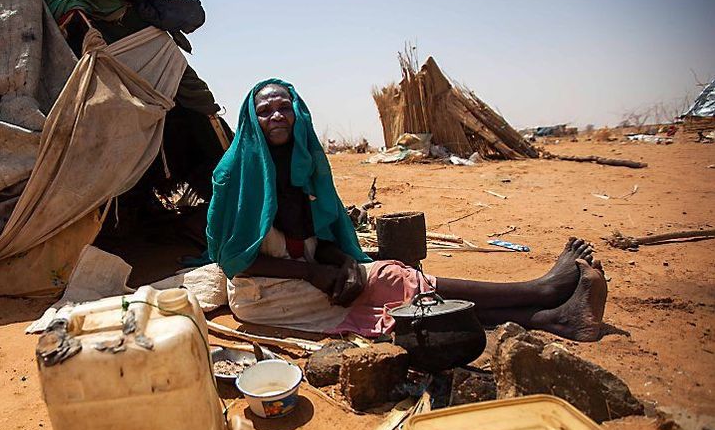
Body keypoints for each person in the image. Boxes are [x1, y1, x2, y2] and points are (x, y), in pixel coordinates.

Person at [205, 80, 607, 342]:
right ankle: (541, 293)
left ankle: (548, 318)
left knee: (389, 283)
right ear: (251, 120)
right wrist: (313, 271)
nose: (276, 116)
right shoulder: (234, 176)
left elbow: (318, 235)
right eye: (265, 110)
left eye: (284, 107)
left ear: (298, 113)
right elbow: (235, 262)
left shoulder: (305, 165)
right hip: (263, 293)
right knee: (392, 288)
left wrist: (342, 260)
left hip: (313, 273)